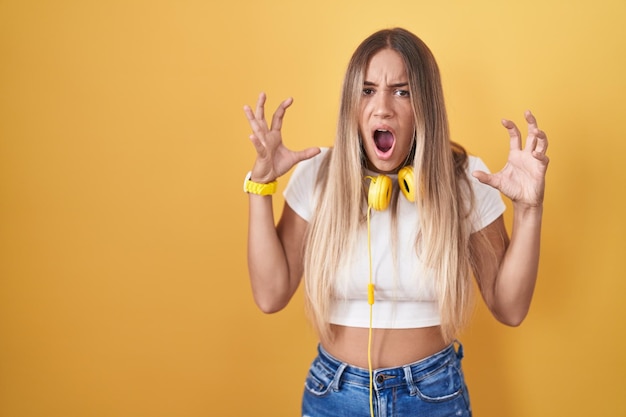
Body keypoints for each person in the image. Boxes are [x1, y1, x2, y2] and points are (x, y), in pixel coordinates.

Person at [242, 27, 548, 417]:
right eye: (368, 90)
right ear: (352, 103)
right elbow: (270, 295)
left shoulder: (466, 180)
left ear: (426, 106)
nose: (382, 107)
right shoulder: (318, 175)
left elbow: (510, 308)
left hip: (432, 394)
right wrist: (261, 185)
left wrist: (529, 210)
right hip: (333, 395)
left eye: (401, 91)